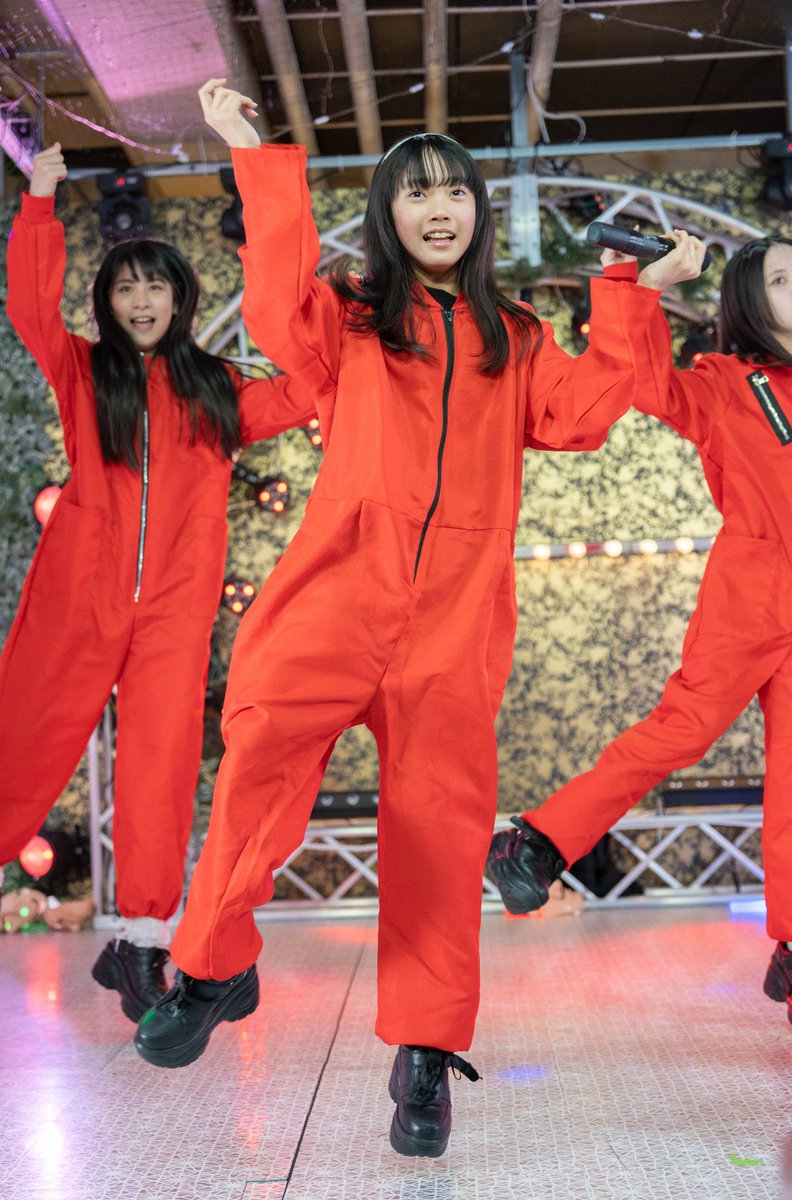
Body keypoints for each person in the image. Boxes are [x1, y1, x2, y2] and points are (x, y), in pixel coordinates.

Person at [133, 79, 700, 1159]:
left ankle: (425, 1054)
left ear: (477, 209)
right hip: (336, 591)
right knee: (259, 751)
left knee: (439, 830)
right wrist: (253, 152)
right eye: (415, 192)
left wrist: (632, 288)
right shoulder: (346, 317)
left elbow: (583, 417)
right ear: (387, 212)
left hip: (455, 617)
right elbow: (272, 304)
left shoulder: (516, 336)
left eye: (455, 192)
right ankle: (210, 967)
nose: (438, 210)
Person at [0, 142, 316, 1021]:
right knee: (27, 730)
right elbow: (29, 308)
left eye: (156, 287)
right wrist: (39, 201)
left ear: (181, 299)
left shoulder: (218, 389)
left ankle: (141, 941)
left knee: (161, 769)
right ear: (107, 302)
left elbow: (308, 388)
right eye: (126, 288)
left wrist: (327, 296)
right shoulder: (84, 372)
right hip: (80, 590)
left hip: (176, 610)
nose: (140, 301)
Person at [487, 235, 792, 1024]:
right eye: (782, 279)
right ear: (750, 301)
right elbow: (650, 383)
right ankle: (539, 842)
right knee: (681, 730)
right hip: (756, 587)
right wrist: (641, 284)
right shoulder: (726, 381)